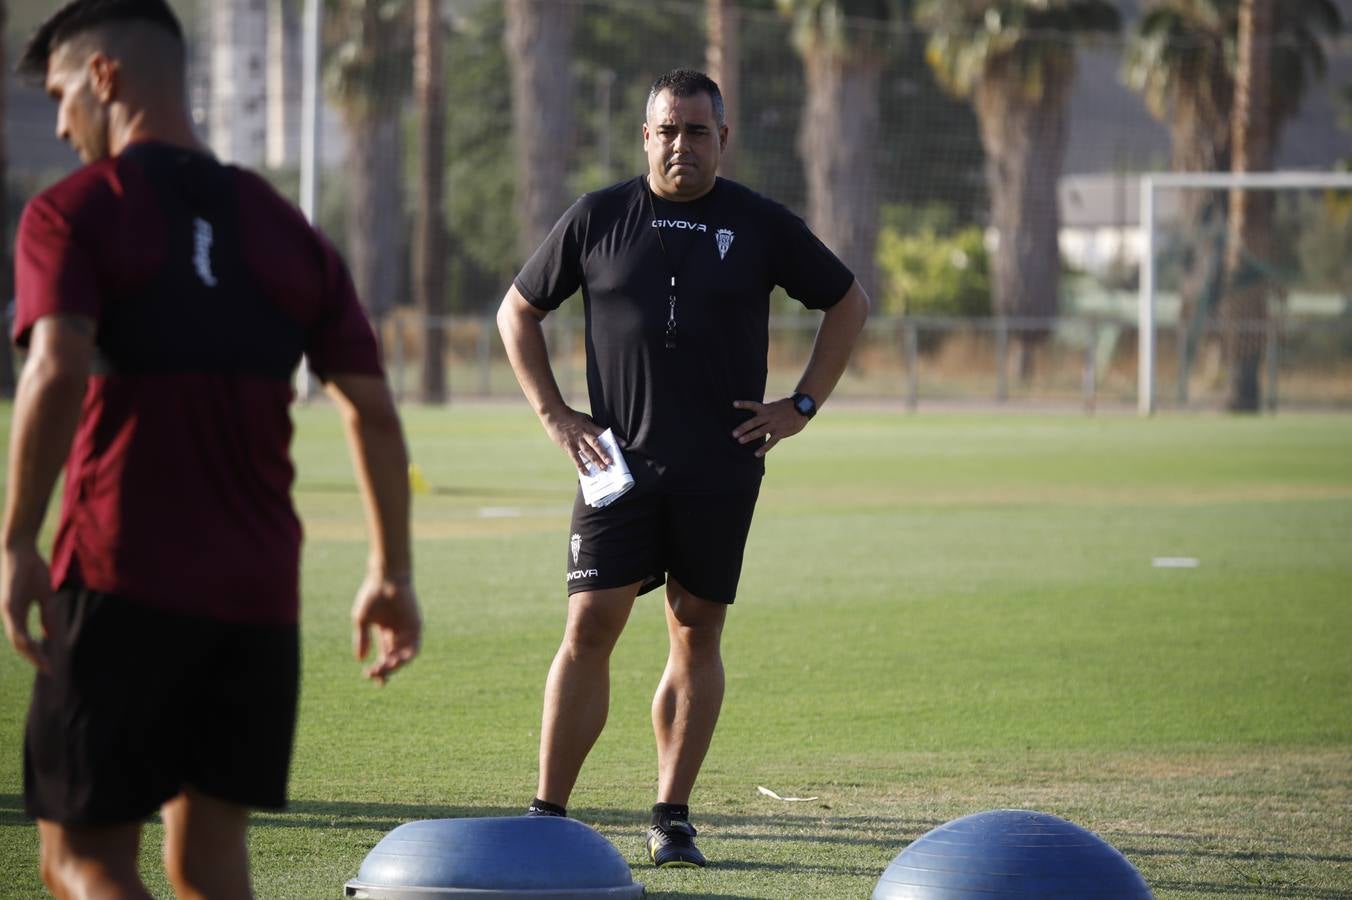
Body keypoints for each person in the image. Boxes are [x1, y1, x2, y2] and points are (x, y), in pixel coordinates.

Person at [0, 1, 422, 896]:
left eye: (62, 95)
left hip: (122, 580)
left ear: (105, 76)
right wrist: (390, 570)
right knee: (209, 862)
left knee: (80, 857)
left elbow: (55, 370)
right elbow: (374, 415)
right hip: (257, 603)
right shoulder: (286, 229)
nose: (65, 125)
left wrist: (14, 541)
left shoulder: (74, 211)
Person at [497, 68, 869, 868]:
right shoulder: (598, 217)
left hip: (721, 467)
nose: (681, 145)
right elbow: (517, 311)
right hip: (616, 468)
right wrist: (557, 416)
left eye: (697, 131)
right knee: (590, 624)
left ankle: (671, 817)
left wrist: (800, 407)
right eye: (666, 130)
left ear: (722, 139)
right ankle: (547, 814)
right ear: (645, 136)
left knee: (695, 630)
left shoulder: (760, 224)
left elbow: (848, 303)